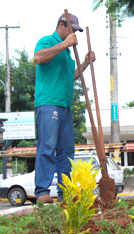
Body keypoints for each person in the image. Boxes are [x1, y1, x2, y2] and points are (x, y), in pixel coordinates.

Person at [34, 13, 95, 203]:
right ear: (62, 25)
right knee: (47, 147)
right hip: (49, 103)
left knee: (66, 151)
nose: (74, 34)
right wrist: (64, 44)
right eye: (72, 29)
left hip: (65, 106)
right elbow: (38, 58)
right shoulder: (47, 41)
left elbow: (72, 76)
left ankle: (64, 193)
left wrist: (85, 63)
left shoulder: (69, 54)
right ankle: (42, 191)